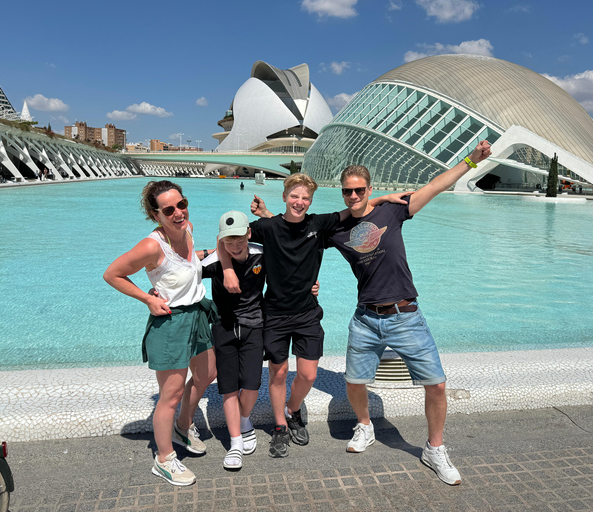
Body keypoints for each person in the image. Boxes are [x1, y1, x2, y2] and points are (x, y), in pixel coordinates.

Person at [323, 140, 492, 486]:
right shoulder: (338, 231)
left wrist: (471, 162)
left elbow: (436, 185)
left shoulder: (393, 211)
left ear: (369, 188)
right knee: (354, 382)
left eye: (359, 191)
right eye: (347, 192)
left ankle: (434, 448)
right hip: (366, 319)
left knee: (437, 384)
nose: (353, 197)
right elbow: (299, 233)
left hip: (405, 315)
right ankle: (366, 426)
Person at [223, 174, 409, 459]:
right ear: (285, 196)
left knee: (308, 374)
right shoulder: (266, 227)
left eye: (305, 198)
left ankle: (292, 408)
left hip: (308, 313)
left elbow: (355, 210)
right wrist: (225, 269)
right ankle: (281, 426)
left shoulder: (318, 225)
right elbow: (227, 237)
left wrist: (381, 199)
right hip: (274, 314)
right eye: (295, 196)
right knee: (280, 372)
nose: (300, 202)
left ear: (311, 201)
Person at [103, 180, 217, 487]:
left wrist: (220, 250)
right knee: (171, 395)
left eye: (181, 204)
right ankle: (164, 459)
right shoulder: (152, 245)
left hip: (197, 314)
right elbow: (112, 274)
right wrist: (149, 298)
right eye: (169, 210)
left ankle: (182, 425)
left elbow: (192, 261)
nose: (179, 213)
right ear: (156, 215)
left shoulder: (188, 228)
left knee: (207, 374)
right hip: (171, 322)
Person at [201, 211, 265, 470]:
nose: (235, 245)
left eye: (240, 238)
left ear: (249, 233)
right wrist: (156, 291)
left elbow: (288, 271)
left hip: (254, 327)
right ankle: (235, 441)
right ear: (221, 240)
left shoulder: (262, 254)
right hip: (224, 328)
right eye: (229, 240)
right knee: (228, 388)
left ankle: (245, 419)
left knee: (251, 385)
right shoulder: (213, 262)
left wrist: (311, 286)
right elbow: (183, 279)